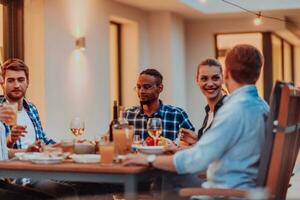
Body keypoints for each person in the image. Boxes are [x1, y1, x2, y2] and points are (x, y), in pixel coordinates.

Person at [124, 44, 269, 194]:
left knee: (166, 175)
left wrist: (149, 159)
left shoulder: (234, 109)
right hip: (244, 187)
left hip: (226, 193)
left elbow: (197, 159)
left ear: (226, 74)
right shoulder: (261, 105)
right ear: (258, 73)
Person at [0, 58, 76, 198]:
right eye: (11, 80)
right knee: (66, 192)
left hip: (43, 168)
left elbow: (43, 140)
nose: (16, 85)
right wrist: (10, 139)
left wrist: (69, 145)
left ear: (27, 82)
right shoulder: (1, 111)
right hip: (21, 176)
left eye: (21, 80)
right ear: (2, 83)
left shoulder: (32, 109)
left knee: (89, 185)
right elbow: (3, 152)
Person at [166, 58, 227, 153]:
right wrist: (197, 139)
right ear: (197, 80)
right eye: (204, 78)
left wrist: (178, 149)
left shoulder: (227, 110)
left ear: (222, 78)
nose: (210, 84)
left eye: (215, 78)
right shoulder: (209, 111)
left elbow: (216, 151)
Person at [124, 68, 195, 141]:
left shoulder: (177, 115)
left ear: (160, 88)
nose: (141, 91)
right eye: (139, 87)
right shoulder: (127, 115)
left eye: (146, 87)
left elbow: (192, 144)